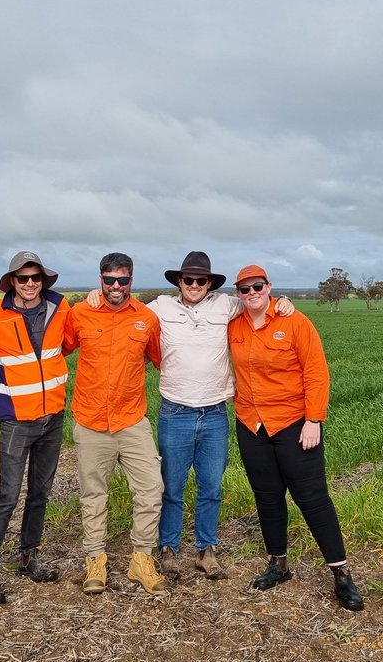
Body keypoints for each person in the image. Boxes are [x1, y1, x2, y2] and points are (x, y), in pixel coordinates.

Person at [87, 250, 293, 584]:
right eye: (188, 280)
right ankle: (168, 550)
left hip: (214, 413)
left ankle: (206, 551)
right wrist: (94, 295)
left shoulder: (227, 305)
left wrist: (282, 300)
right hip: (175, 412)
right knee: (172, 487)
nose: (195, 285)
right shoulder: (159, 308)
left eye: (201, 280)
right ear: (179, 281)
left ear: (210, 283)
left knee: (211, 486)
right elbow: (124, 307)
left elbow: (259, 301)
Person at [227, 264, 363, 611]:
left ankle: (341, 574)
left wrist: (314, 419)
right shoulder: (233, 325)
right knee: (268, 497)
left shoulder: (295, 321)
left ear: (269, 287)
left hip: (293, 422)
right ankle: (279, 564)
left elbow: (316, 372)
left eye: (258, 286)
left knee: (312, 497)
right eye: (244, 289)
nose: (252, 293)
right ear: (238, 294)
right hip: (251, 424)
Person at [0, 251, 71, 604]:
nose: (30, 284)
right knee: (7, 494)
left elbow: (68, 345)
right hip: (15, 419)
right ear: (11, 281)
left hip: (53, 417)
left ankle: (29, 555)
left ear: (44, 280)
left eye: (36, 278)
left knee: (40, 492)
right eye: (22, 278)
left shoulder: (62, 310)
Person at [62, 252, 165, 595]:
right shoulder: (80, 313)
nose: (116, 286)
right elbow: (57, 348)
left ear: (131, 281)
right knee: (93, 495)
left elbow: (161, 358)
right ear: (100, 279)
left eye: (122, 280)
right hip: (90, 420)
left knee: (152, 489)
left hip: (131, 419)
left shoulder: (147, 318)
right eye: (109, 280)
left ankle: (141, 560)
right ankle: (95, 560)